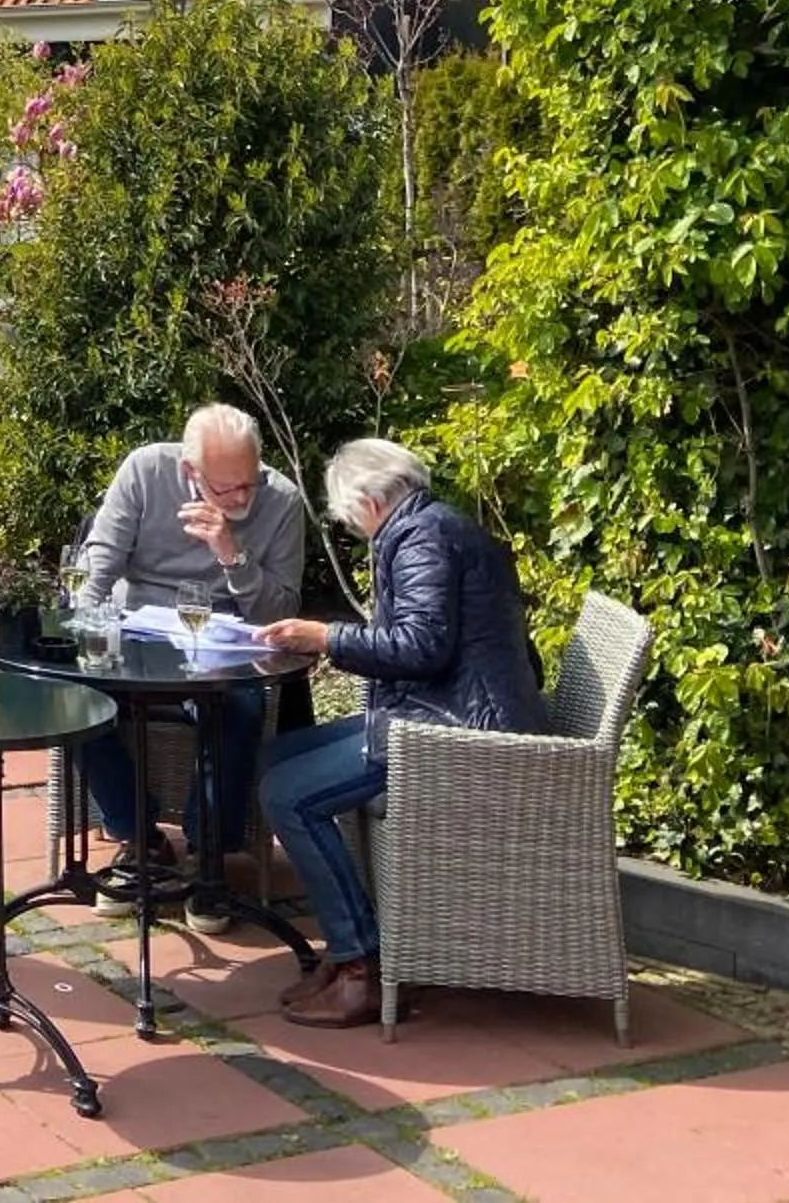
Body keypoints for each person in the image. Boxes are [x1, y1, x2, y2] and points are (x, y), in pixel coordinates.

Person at [254, 438, 547, 1028]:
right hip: (445, 712)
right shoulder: (434, 526)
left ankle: (360, 965)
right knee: (277, 757)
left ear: (366, 500)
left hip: (459, 734)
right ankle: (350, 952)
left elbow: (421, 646)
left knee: (288, 794)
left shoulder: (421, 537)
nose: (352, 529)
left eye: (347, 517)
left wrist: (326, 639)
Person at [70, 406, 307, 916]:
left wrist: (232, 552)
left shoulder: (281, 500)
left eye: (250, 482)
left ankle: (209, 856)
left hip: (226, 639)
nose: (243, 497)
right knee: (72, 696)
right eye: (228, 488)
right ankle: (138, 837)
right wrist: (83, 625)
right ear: (189, 473)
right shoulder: (147, 470)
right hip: (140, 630)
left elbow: (281, 613)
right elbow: (100, 563)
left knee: (240, 707)